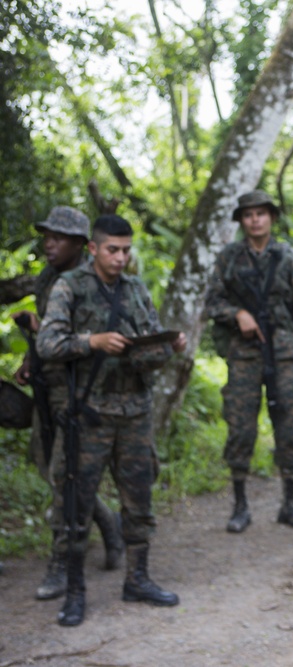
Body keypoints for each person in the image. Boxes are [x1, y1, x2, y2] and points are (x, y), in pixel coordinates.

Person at [38, 213, 188, 627]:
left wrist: (169, 344)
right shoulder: (69, 287)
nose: (121, 258)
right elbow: (48, 344)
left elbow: (150, 348)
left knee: (139, 500)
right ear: (93, 248)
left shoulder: (137, 289)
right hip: (89, 416)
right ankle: (75, 592)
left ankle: (137, 579)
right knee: (76, 506)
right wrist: (93, 341)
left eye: (126, 250)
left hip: (135, 413)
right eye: (112, 250)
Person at [12, 206, 125, 601]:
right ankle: (109, 523)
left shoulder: (96, 282)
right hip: (50, 388)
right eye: (47, 236)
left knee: (67, 474)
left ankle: (62, 564)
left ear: (81, 244)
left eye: (58, 237)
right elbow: (48, 335)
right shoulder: (47, 278)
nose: (49, 243)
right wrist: (30, 360)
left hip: (83, 392)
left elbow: (99, 336)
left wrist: (44, 332)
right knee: (51, 467)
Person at [206, 190, 293, 533]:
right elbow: (211, 302)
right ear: (241, 221)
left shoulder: (287, 258)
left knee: (288, 427)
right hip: (244, 354)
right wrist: (237, 314)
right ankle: (240, 505)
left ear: (271, 218)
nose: (255, 220)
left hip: (283, 354)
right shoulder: (229, 258)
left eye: (261, 214)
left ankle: (290, 503)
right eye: (248, 215)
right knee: (241, 427)